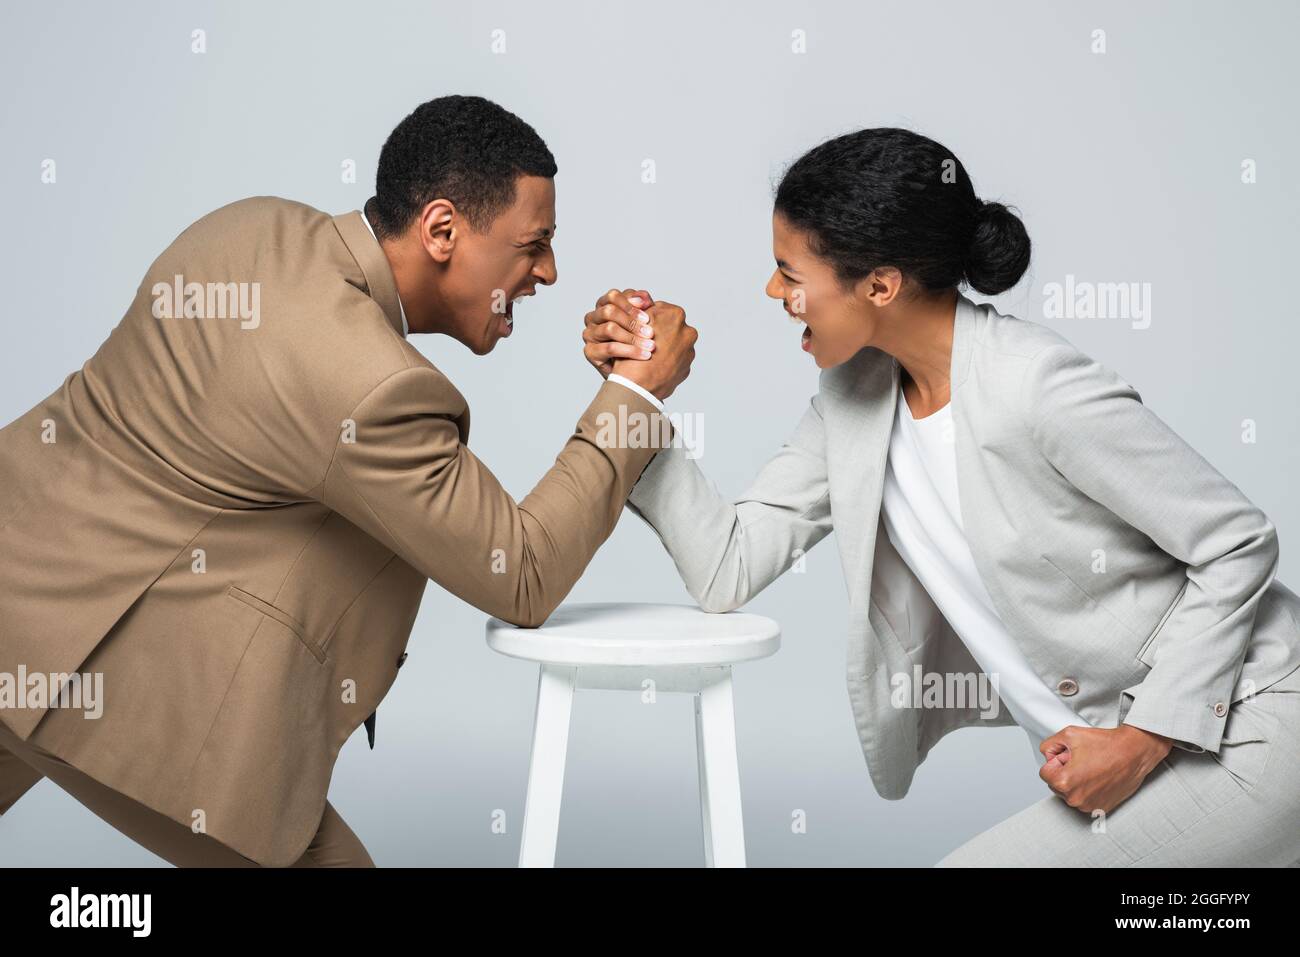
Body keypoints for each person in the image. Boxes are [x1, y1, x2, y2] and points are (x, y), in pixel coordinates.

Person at [0, 94, 697, 867]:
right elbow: (521, 571)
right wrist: (634, 396)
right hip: (66, 666)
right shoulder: (372, 386)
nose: (551, 271)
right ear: (441, 230)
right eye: (534, 245)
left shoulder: (249, 227)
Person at [581, 128, 1300, 865]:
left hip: (1244, 729)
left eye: (788, 271)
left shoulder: (1035, 386)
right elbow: (728, 564)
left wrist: (1142, 740)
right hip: (1128, 764)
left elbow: (1237, 541)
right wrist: (633, 394)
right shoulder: (854, 396)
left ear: (880, 285)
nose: (774, 293)